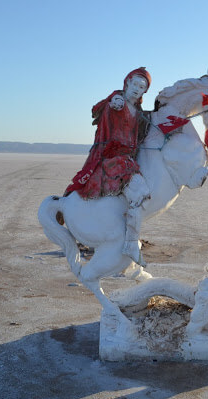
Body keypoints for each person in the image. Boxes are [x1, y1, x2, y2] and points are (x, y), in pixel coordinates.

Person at [64, 67, 152, 266]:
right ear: (127, 83)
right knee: (140, 193)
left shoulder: (137, 111)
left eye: (143, 87)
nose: (138, 89)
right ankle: (130, 243)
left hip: (128, 159)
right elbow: (104, 106)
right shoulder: (117, 102)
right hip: (113, 159)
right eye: (136, 84)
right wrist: (114, 100)